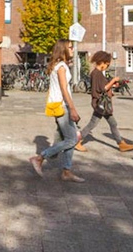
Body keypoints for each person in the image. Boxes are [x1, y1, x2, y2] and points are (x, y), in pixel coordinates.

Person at [29, 39, 85, 183]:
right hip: (63, 107)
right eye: (70, 47)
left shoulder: (57, 65)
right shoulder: (61, 67)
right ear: (63, 50)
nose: (73, 49)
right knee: (72, 139)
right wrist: (72, 108)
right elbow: (64, 88)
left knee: (69, 139)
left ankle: (66, 171)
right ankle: (40, 157)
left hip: (59, 106)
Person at [75, 51, 133, 153]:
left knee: (111, 123)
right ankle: (77, 141)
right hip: (101, 103)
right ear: (102, 62)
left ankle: (121, 143)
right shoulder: (96, 74)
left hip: (101, 103)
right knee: (94, 124)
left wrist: (112, 85)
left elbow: (103, 87)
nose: (107, 66)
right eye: (107, 64)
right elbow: (103, 88)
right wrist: (113, 81)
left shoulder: (97, 73)